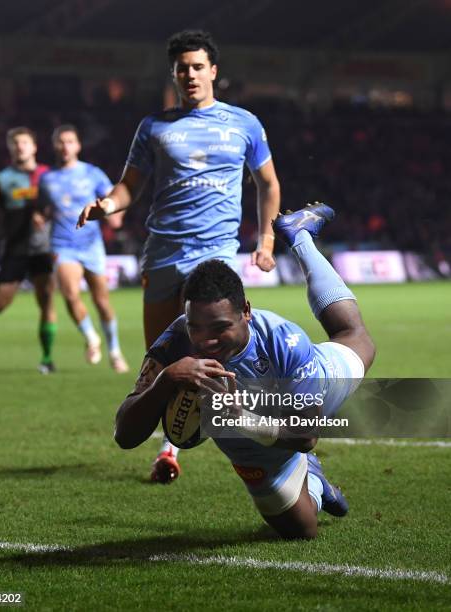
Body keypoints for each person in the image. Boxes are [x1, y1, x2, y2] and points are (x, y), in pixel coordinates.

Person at [77, 29, 281, 480]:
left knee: (230, 356)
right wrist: (107, 204)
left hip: (216, 257)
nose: (189, 74)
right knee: (163, 361)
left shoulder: (243, 124)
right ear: (173, 74)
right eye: (181, 68)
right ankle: (172, 444)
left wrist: (265, 242)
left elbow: (267, 183)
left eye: (196, 66)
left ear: (213, 71)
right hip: (163, 255)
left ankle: (253, 450)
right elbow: (130, 186)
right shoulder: (153, 127)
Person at [113, 204, 376, 539]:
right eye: (197, 328)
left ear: (246, 312)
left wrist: (239, 418)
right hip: (249, 447)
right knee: (301, 531)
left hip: (298, 402)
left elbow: (307, 436)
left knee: (357, 340)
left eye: (220, 327)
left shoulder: (284, 339)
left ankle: (301, 237)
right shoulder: (175, 343)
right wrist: (166, 381)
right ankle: (315, 482)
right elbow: (124, 435)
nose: (206, 340)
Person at [39, 125, 128, 372]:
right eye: (60, 142)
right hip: (62, 244)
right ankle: (91, 337)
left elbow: (115, 197)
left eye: (70, 141)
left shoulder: (92, 173)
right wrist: (40, 217)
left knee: (102, 302)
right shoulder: (47, 178)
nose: (65, 146)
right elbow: (43, 208)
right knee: (69, 293)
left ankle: (114, 350)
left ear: (77, 146)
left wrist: (115, 216)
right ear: (55, 146)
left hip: (91, 246)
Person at [0, 126, 57, 374]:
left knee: (46, 301)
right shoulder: (2, 178)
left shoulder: (48, 175)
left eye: (24, 143)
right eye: (15, 143)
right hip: (15, 248)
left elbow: (61, 205)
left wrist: (47, 215)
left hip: (44, 248)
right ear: (10, 149)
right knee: (1, 303)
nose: (19, 147)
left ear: (34, 147)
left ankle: (46, 358)